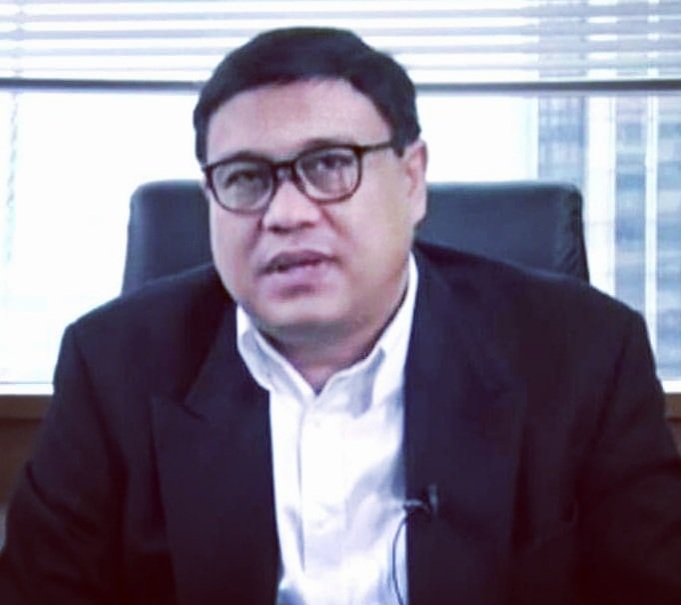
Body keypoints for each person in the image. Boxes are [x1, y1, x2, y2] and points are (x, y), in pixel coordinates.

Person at [1, 26, 680, 605]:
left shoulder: (583, 355)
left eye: (329, 165)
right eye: (245, 178)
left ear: (411, 180)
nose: (285, 214)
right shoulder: (112, 366)